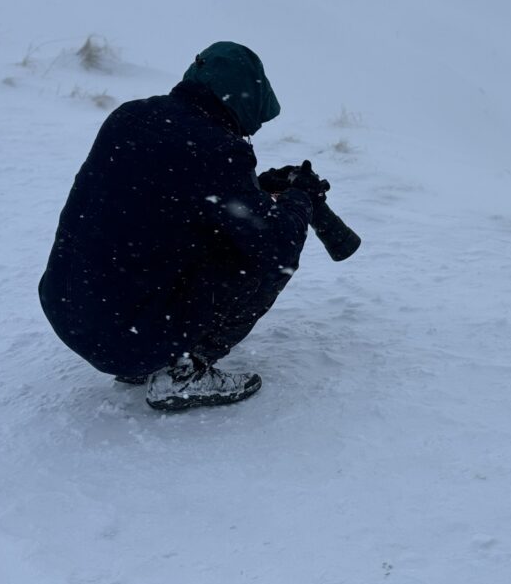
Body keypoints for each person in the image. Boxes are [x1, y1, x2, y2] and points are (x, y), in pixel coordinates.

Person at [39, 42, 331, 411]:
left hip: (69, 310)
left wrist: (256, 188)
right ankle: (182, 374)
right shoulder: (217, 149)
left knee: (209, 238)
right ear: (240, 101)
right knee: (260, 258)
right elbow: (277, 243)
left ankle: (142, 352)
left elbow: (172, 192)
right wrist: (300, 197)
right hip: (124, 340)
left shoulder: (130, 116)